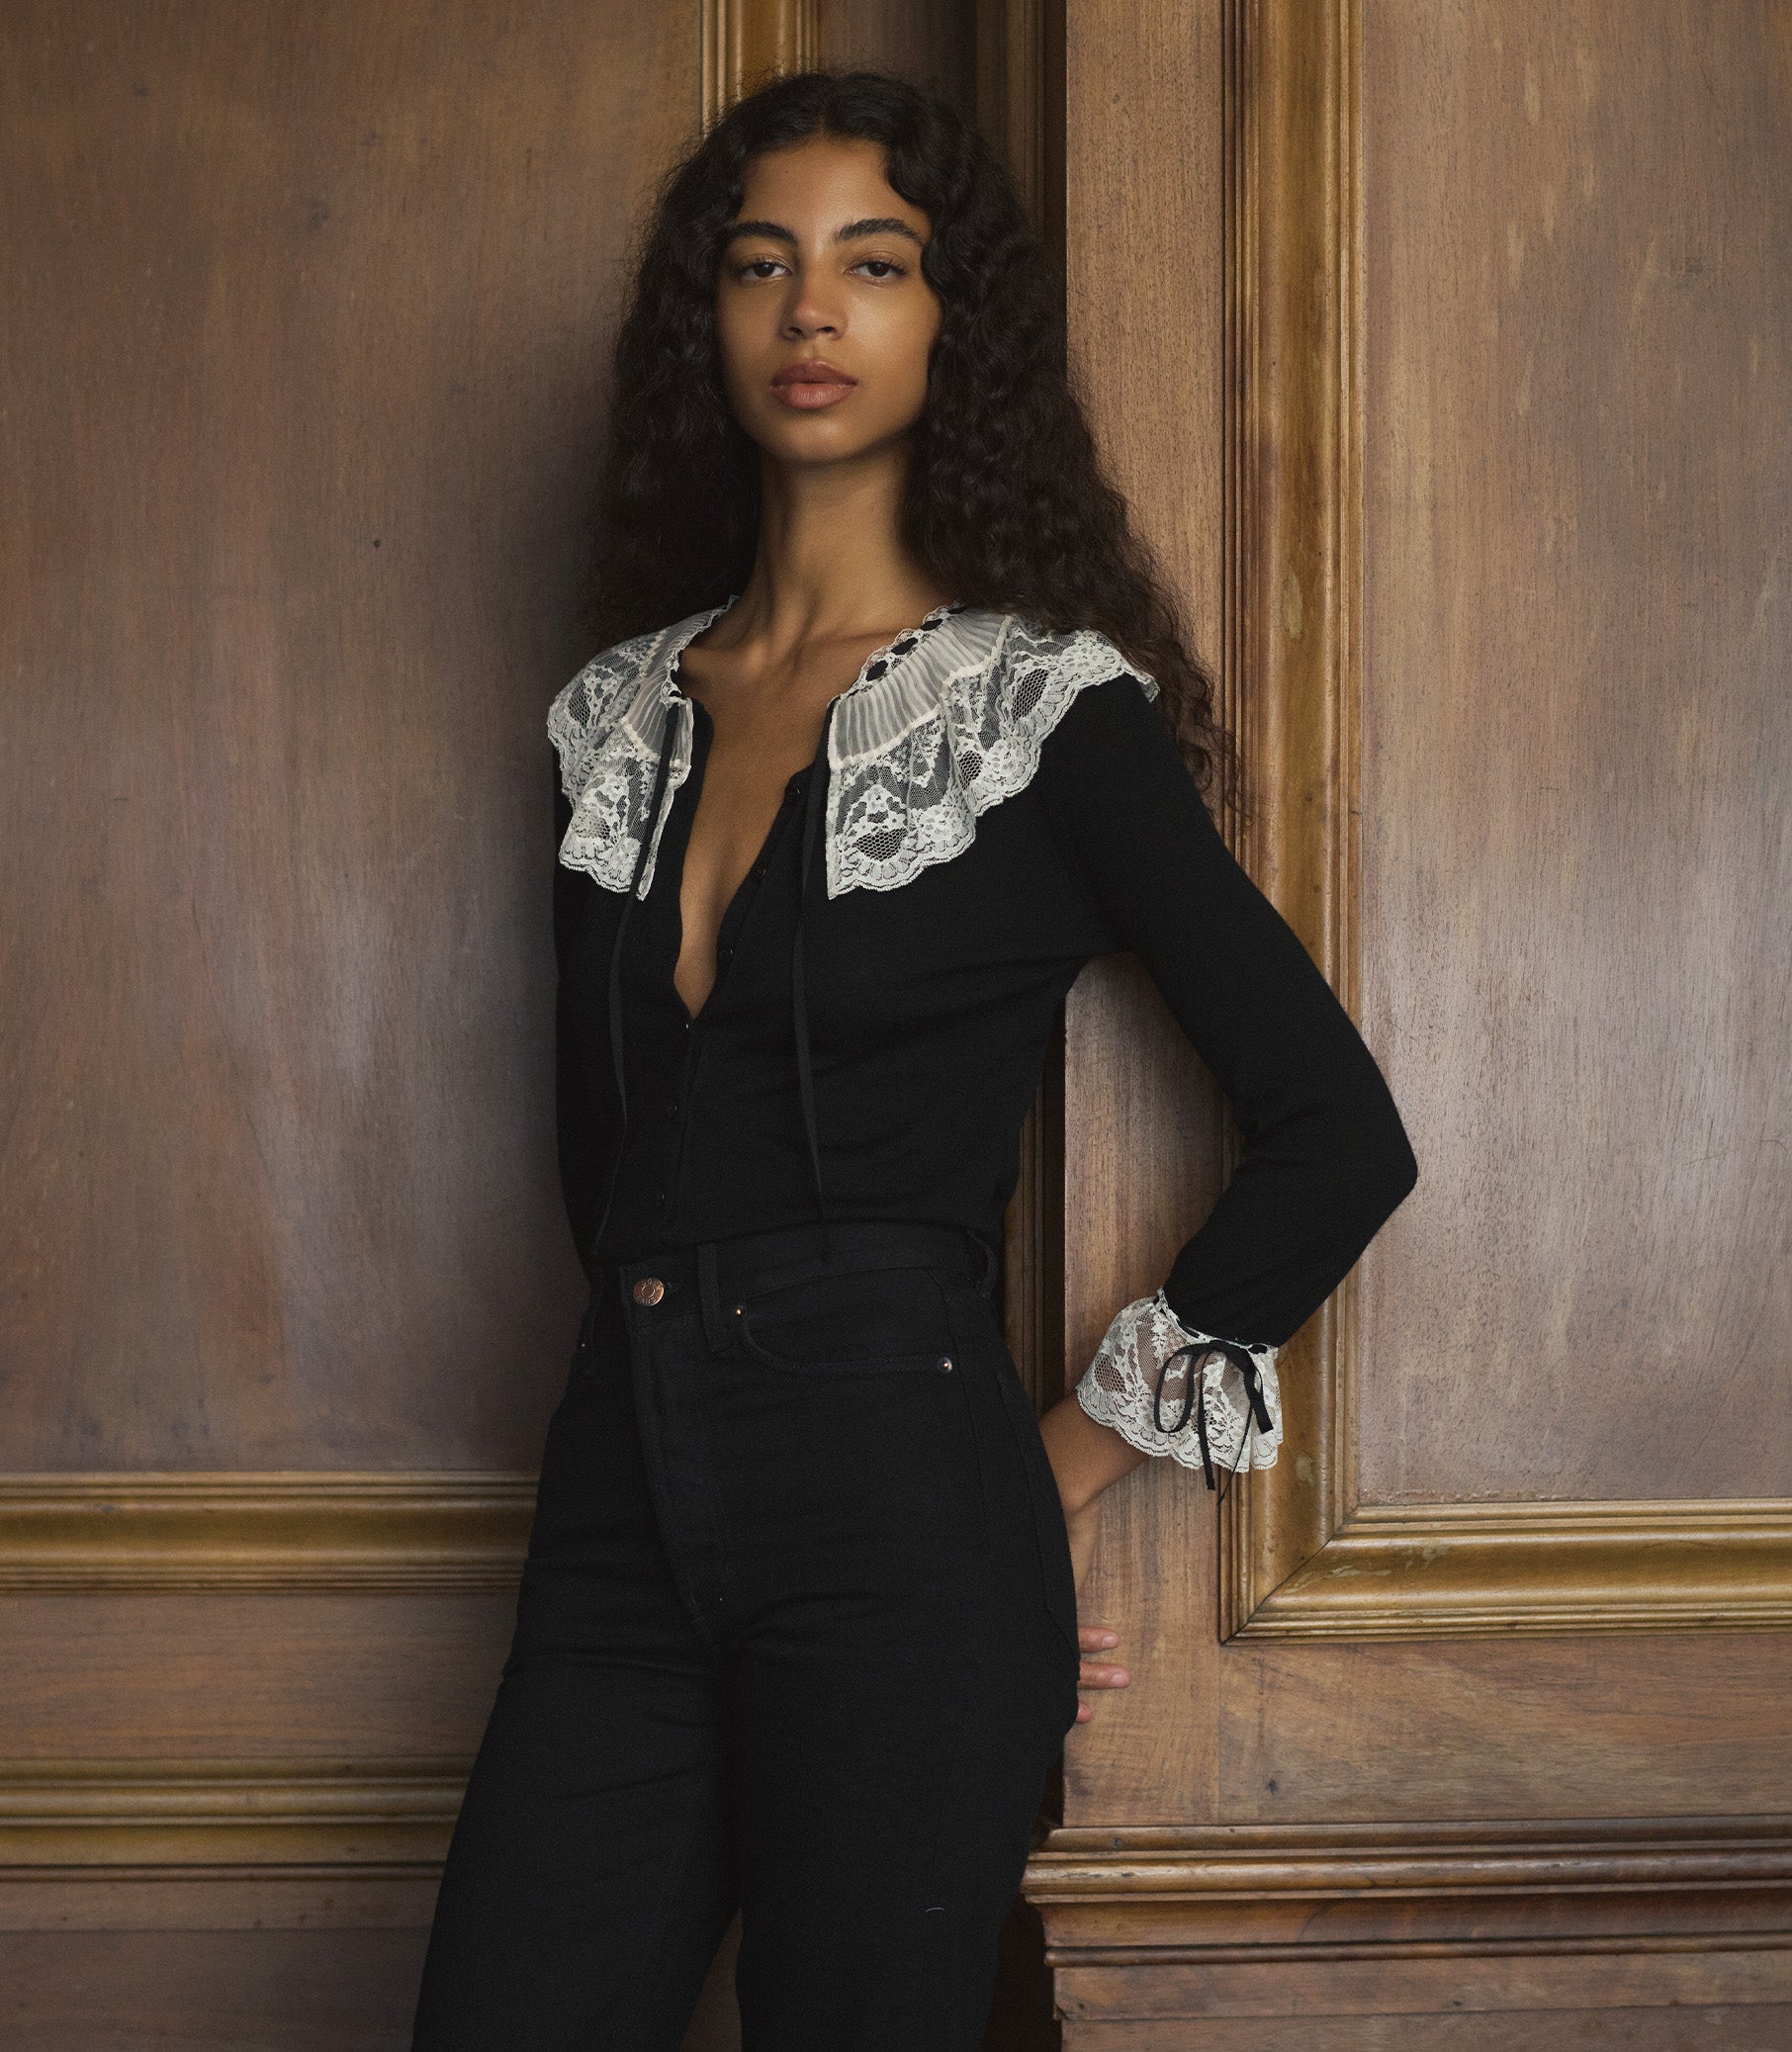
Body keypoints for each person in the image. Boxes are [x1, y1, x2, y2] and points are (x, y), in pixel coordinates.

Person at [411, 67, 1417, 2052]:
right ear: (703, 322)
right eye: (762, 263)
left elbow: (1338, 1135)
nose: (812, 308)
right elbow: (607, 1183)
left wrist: (1024, 1483)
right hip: (619, 1483)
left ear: (953, 328)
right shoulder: (608, 719)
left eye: (875, 264)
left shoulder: (1043, 714)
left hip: (902, 1494)